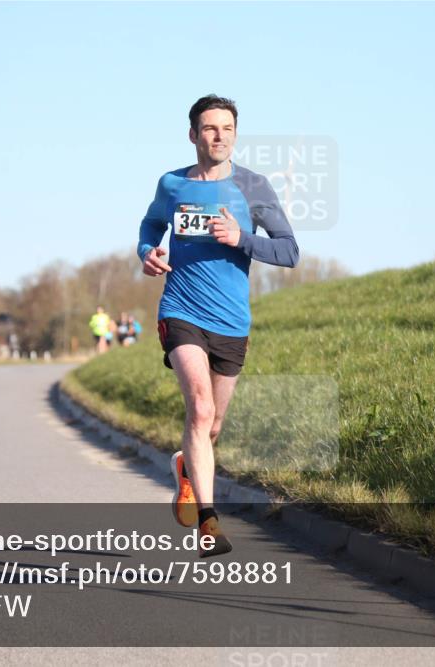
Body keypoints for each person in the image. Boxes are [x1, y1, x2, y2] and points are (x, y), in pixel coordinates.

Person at [137, 94, 299, 558]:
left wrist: (241, 239)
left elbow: (289, 251)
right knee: (201, 410)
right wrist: (147, 253)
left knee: (212, 427)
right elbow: (150, 227)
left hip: (232, 321)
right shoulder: (172, 185)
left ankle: (186, 468)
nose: (219, 136)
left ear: (235, 134)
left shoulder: (253, 187)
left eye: (227, 128)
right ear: (193, 135)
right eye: (210, 128)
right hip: (181, 310)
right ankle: (209, 523)